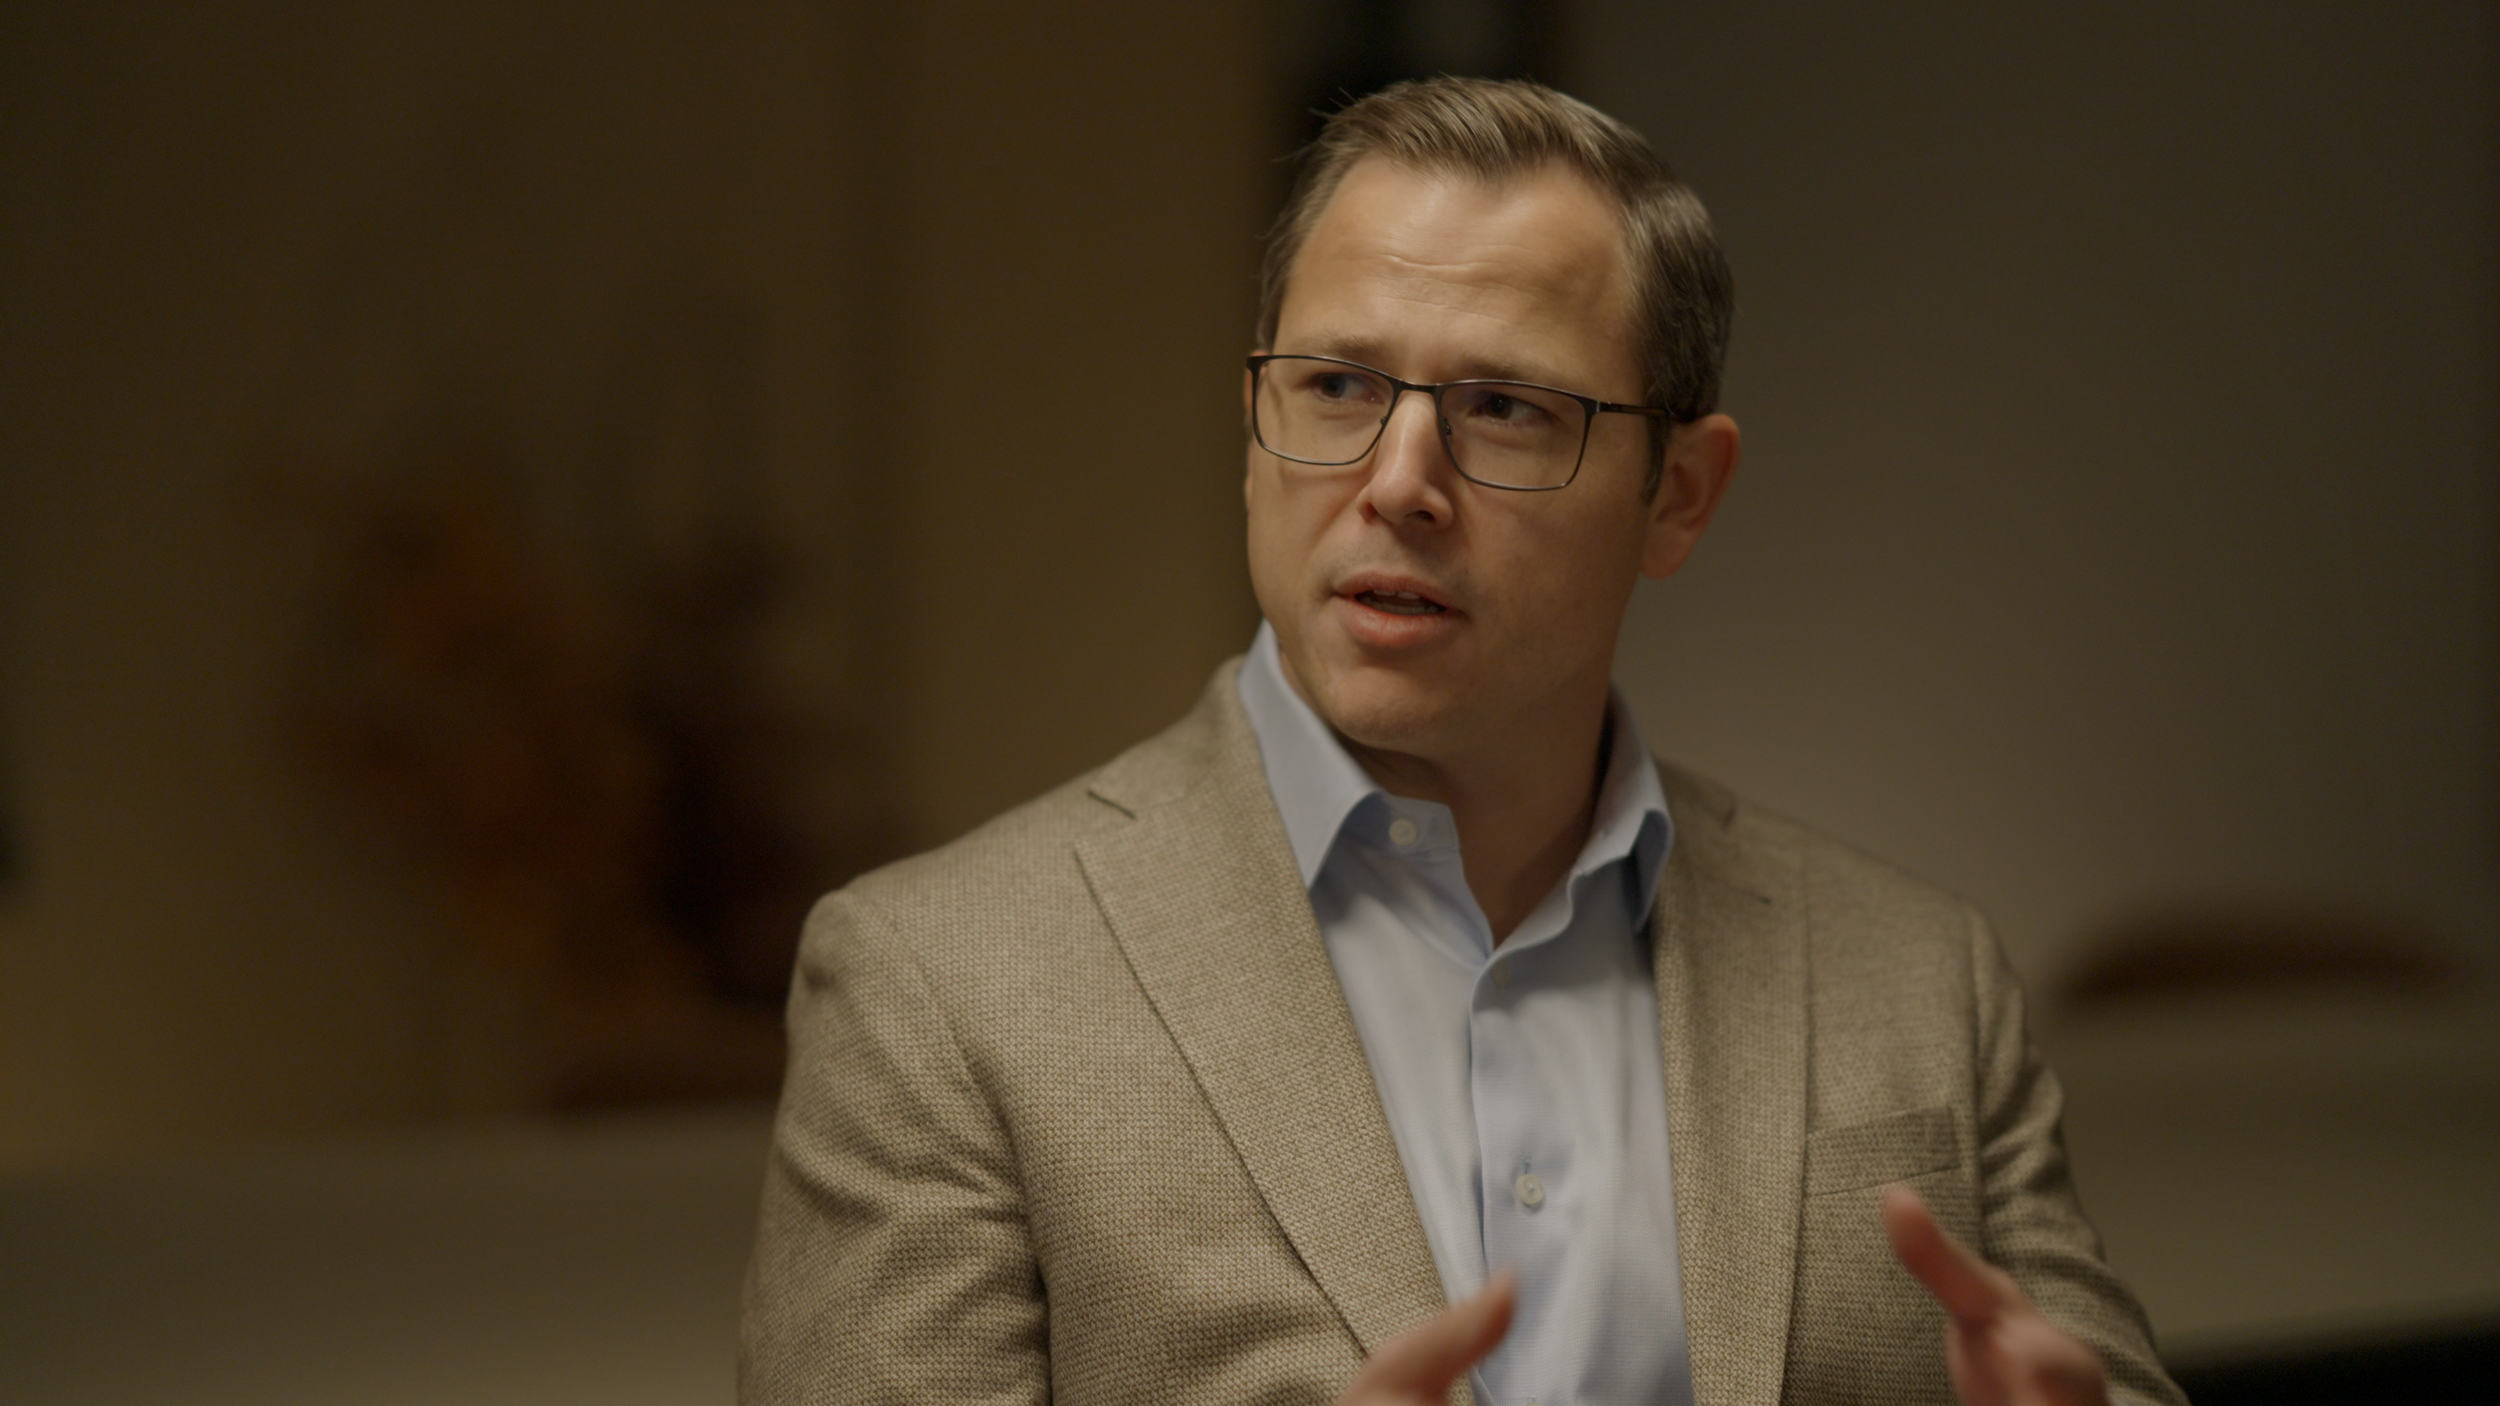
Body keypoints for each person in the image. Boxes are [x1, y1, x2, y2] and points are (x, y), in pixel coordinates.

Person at [741, 77, 2185, 1406]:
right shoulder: (941, 989)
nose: (1399, 482)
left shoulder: (1919, 976)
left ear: (1680, 494)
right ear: (1252, 427)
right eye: (1336, 386)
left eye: (1503, 409)